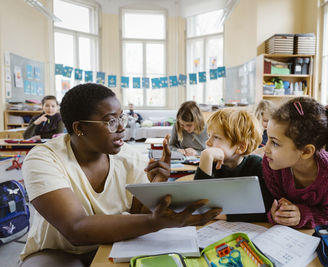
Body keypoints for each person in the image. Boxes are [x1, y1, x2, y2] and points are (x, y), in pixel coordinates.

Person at [19, 84, 221, 267]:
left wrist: (156, 185)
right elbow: (75, 229)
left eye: (122, 118)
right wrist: (154, 222)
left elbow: (137, 214)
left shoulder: (129, 157)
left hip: (116, 243)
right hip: (58, 252)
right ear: (79, 128)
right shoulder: (44, 159)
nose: (123, 128)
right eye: (111, 122)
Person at [263, 97, 328, 229]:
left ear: (306, 151)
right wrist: (278, 214)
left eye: (275, 143)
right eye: (268, 138)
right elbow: (273, 205)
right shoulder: (272, 164)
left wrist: (303, 216)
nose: (266, 149)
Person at [194, 108, 273, 222]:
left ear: (241, 147)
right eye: (209, 136)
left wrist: (226, 216)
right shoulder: (210, 162)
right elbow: (198, 206)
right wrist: (206, 158)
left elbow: (266, 210)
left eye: (216, 137)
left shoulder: (257, 166)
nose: (208, 142)